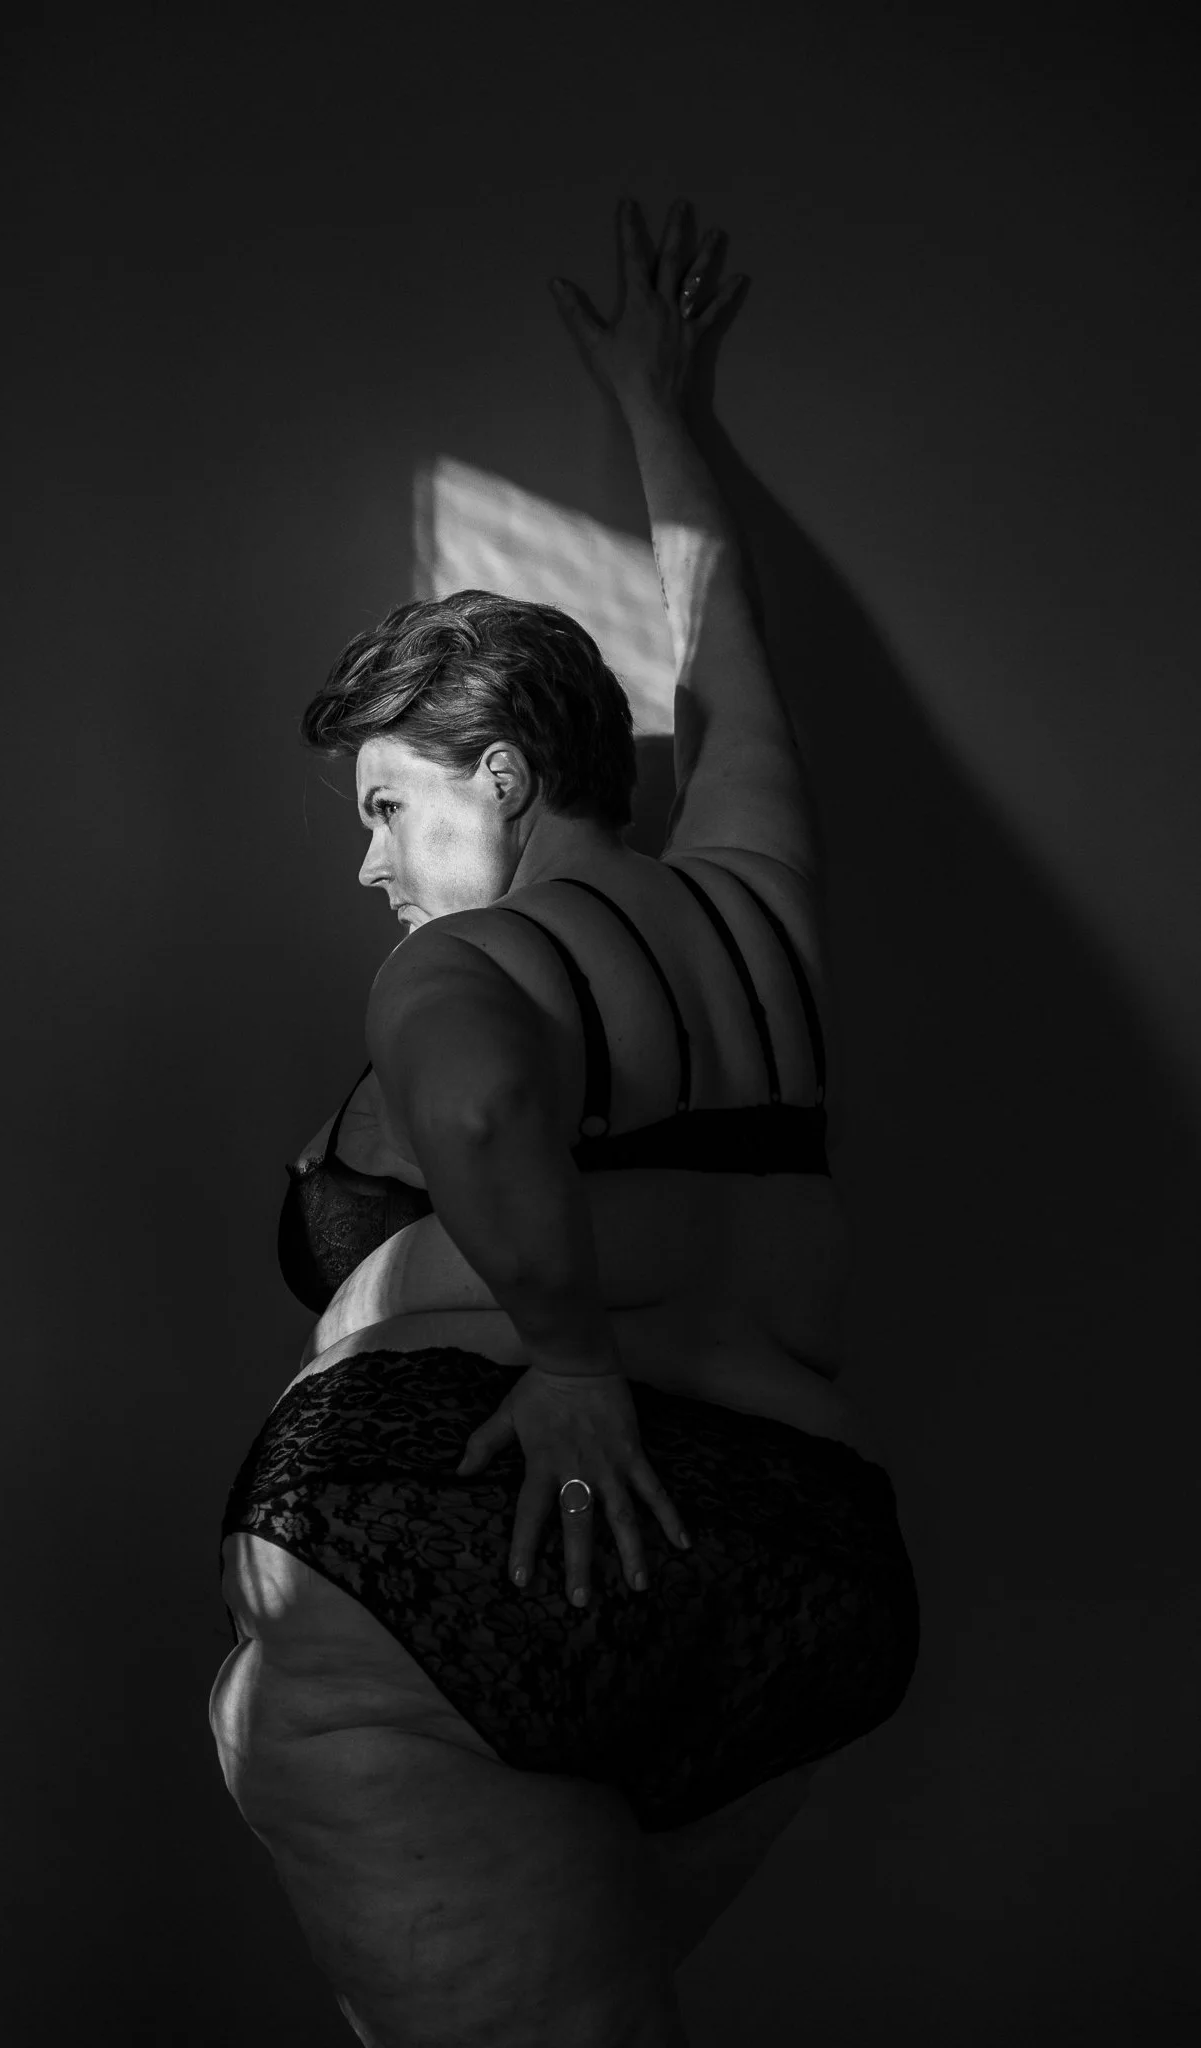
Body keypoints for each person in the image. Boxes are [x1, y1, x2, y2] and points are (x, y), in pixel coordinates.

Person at [209, 196, 920, 2048]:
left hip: (471, 1553)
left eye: (387, 805)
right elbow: (728, 658)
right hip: (794, 1557)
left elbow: (470, 1089)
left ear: (504, 775)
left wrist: (573, 1358)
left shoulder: (472, 961)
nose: (371, 862)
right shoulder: (756, 900)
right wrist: (662, 412)